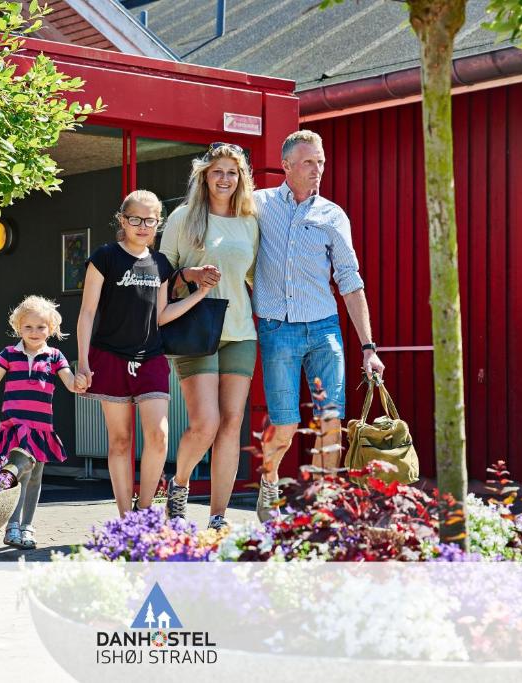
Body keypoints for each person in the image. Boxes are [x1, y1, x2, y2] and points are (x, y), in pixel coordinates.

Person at [252, 130, 386, 521]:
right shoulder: (259, 205)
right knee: (286, 422)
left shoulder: (332, 216)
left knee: (331, 420)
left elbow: (350, 279)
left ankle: (321, 503)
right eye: (309, 162)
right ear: (287, 166)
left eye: (321, 162)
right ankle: (270, 480)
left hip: (324, 329)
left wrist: (368, 347)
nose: (317, 170)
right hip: (278, 330)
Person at [75, 190, 213, 516]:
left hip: (150, 358)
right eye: (135, 219)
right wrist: (83, 361)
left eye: (149, 220)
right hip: (109, 358)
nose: (142, 226)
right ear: (122, 220)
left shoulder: (160, 264)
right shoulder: (105, 257)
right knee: (120, 441)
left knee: (159, 435)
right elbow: (87, 313)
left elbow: (161, 315)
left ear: (158, 224)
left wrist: (200, 295)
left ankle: (147, 510)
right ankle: (126, 518)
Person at [158, 142, 259, 531]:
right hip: (196, 329)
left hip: (239, 331)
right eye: (217, 171)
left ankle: (218, 516)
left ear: (241, 178)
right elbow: (163, 275)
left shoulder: (249, 221)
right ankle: (179, 486)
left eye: (232, 172)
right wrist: (191, 275)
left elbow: (253, 277)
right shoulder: (184, 217)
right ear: (204, 175)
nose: (225, 179)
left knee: (231, 424)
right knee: (206, 424)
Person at [0, 295, 81, 550]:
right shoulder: (9, 354)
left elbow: (70, 383)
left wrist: (79, 382)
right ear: (18, 328)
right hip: (16, 426)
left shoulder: (55, 356)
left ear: (51, 328)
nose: (35, 332)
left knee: (35, 477)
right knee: (20, 475)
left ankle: (27, 525)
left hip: (41, 428)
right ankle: (12, 525)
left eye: (41, 327)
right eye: (28, 327)